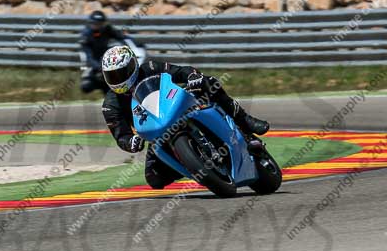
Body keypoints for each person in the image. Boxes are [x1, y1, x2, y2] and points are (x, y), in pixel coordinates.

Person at [101, 45, 270, 190]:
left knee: (208, 82)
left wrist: (192, 76)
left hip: (178, 106)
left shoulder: (150, 67)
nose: (119, 79)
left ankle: (245, 121)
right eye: (113, 76)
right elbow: (121, 135)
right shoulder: (110, 105)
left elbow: (180, 71)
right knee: (155, 179)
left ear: (133, 65)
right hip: (157, 133)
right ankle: (191, 163)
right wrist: (131, 143)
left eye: (122, 73)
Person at [79, 11, 136, 94]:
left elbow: (120, 36)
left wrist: (130, 41)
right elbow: (88, 57)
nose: (97, 26)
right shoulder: (86, 36)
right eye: (95, 24)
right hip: (92, 65)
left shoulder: (107, 29)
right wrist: (99, 67)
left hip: (105, 59)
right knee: (86, 86)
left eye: (100, 24)